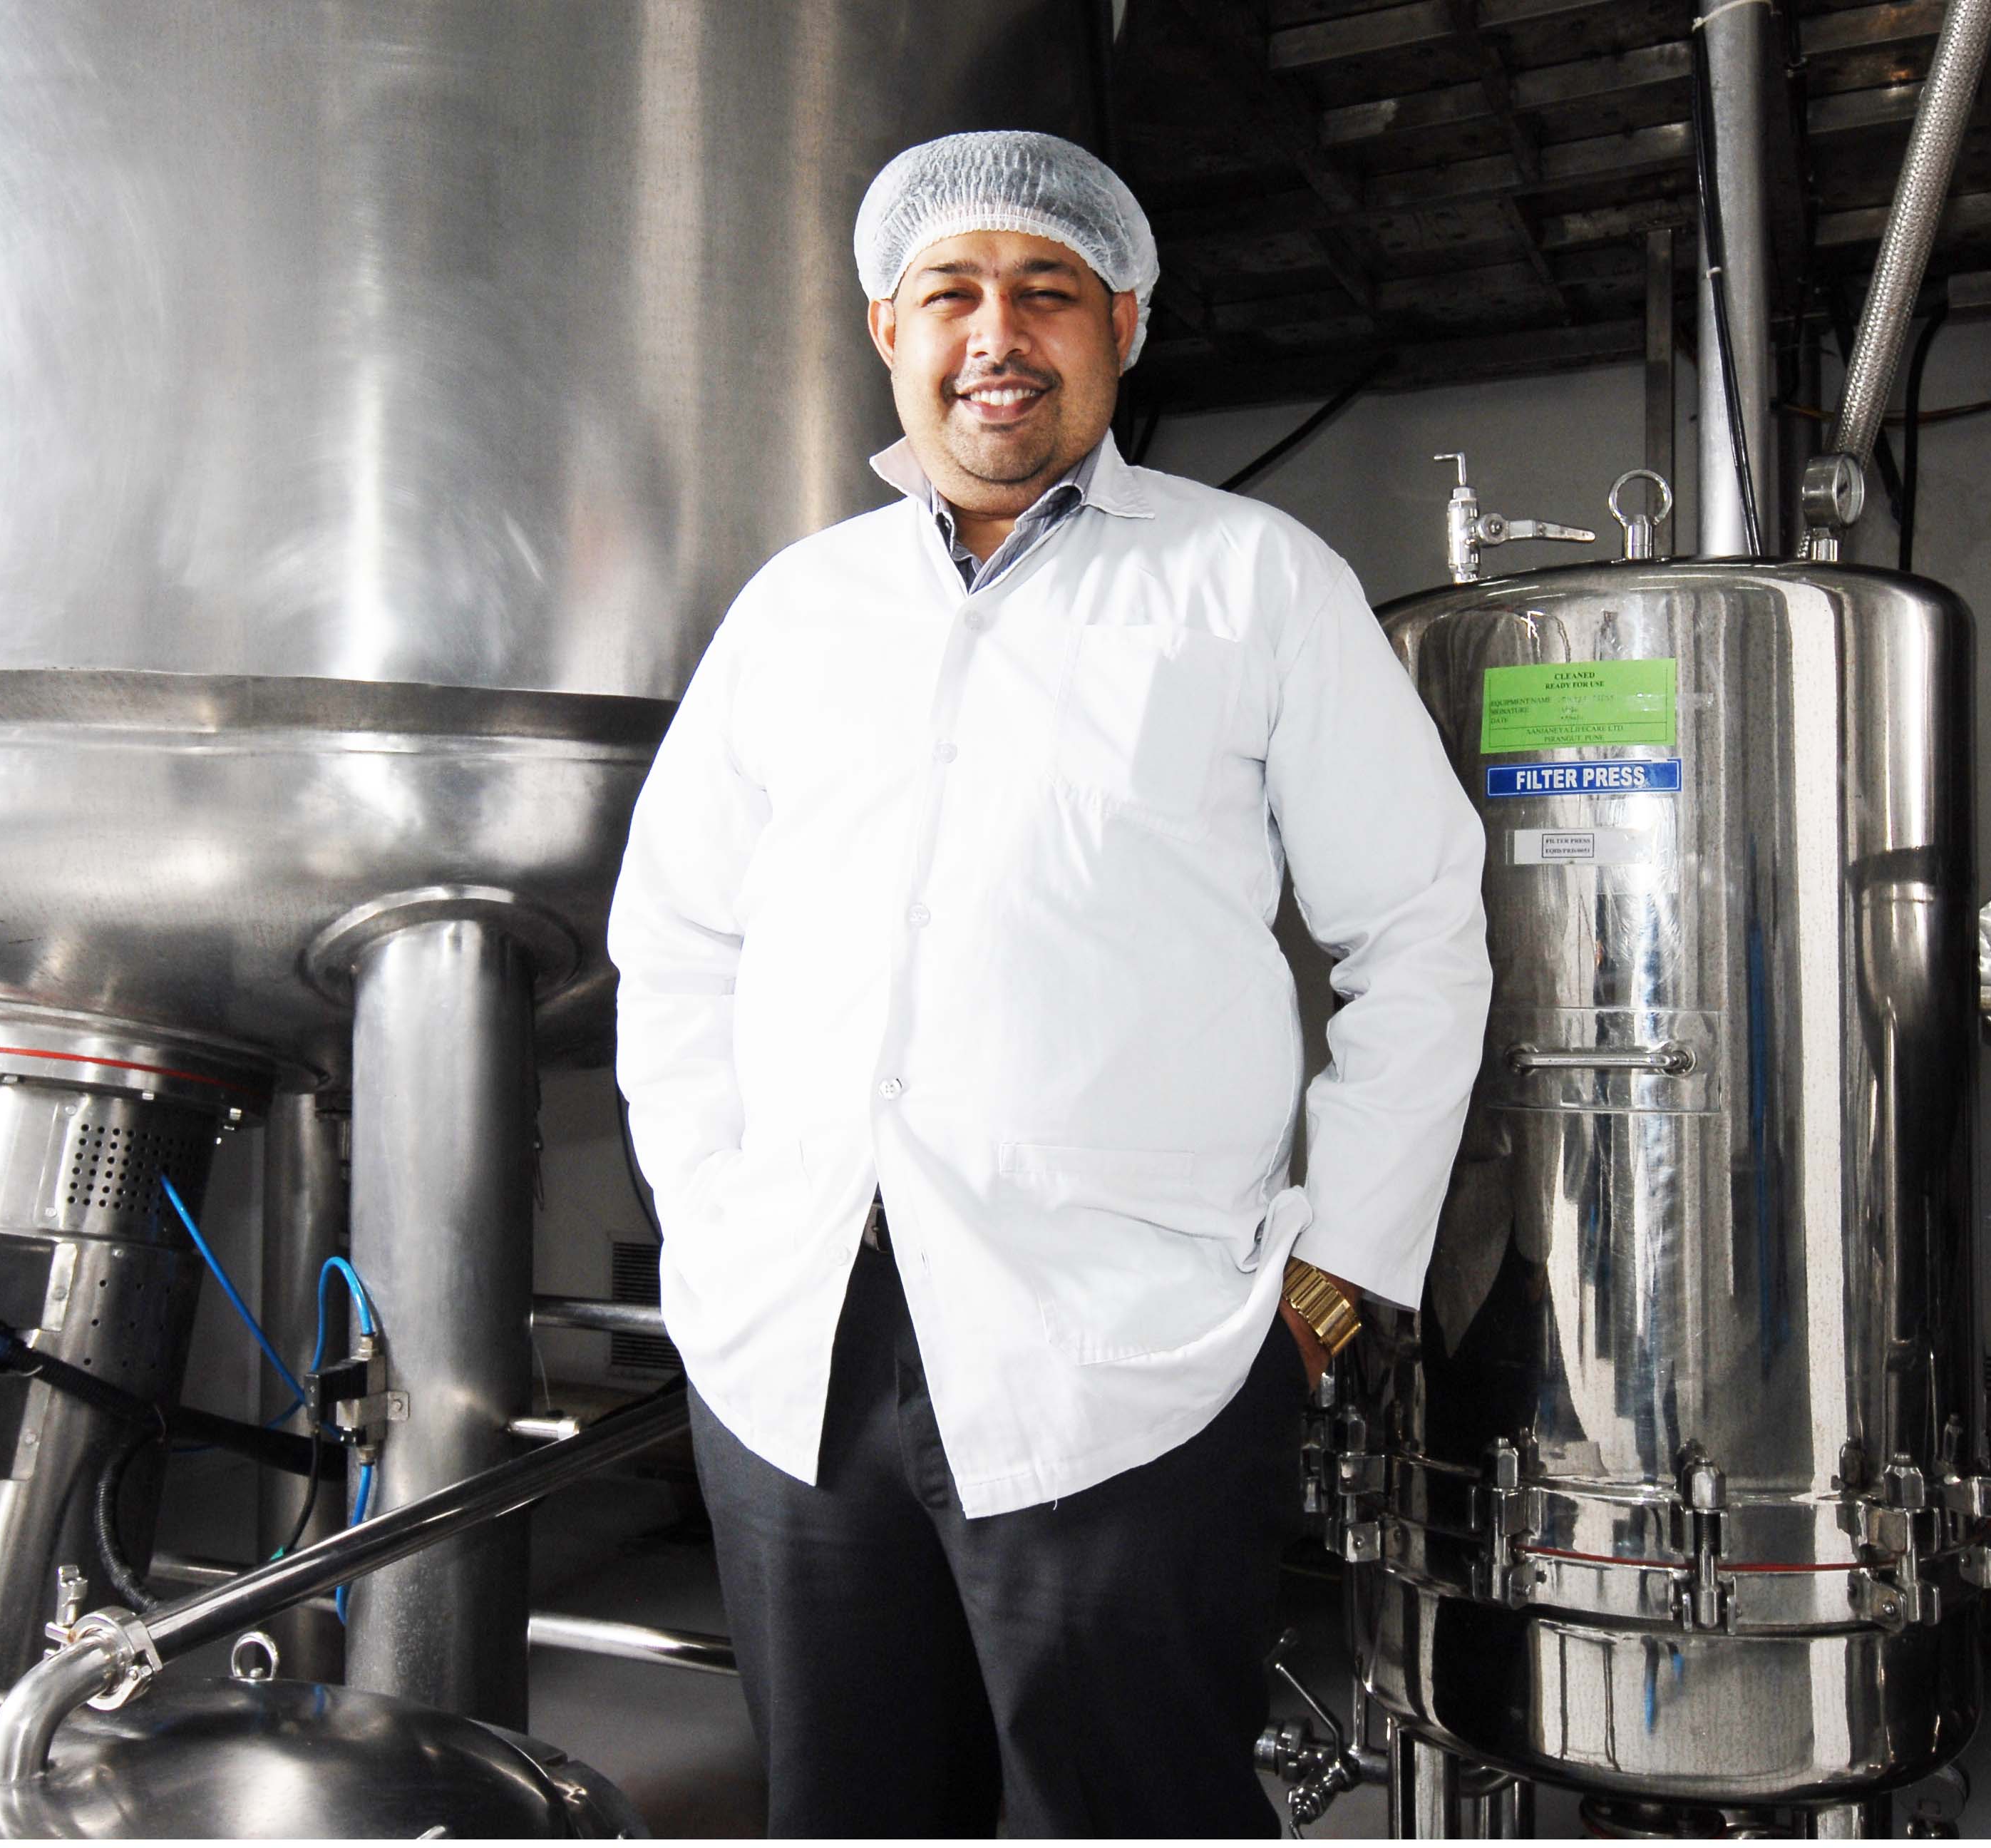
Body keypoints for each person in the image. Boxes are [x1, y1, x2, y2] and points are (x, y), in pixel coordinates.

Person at [607, 129, 1491, 1837]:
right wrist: (711, 1218)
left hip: (1125, 1358)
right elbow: (677, 942)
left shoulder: (1251, 582)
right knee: (847, 1812)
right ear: (888, 328)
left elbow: (1417, 930)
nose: (995, 335)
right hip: (798, 1353)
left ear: (1125, 323)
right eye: (951, 292)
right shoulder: (798, 610)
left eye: (1048, 291)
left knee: (1130, 1810)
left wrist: (1335, 1278)